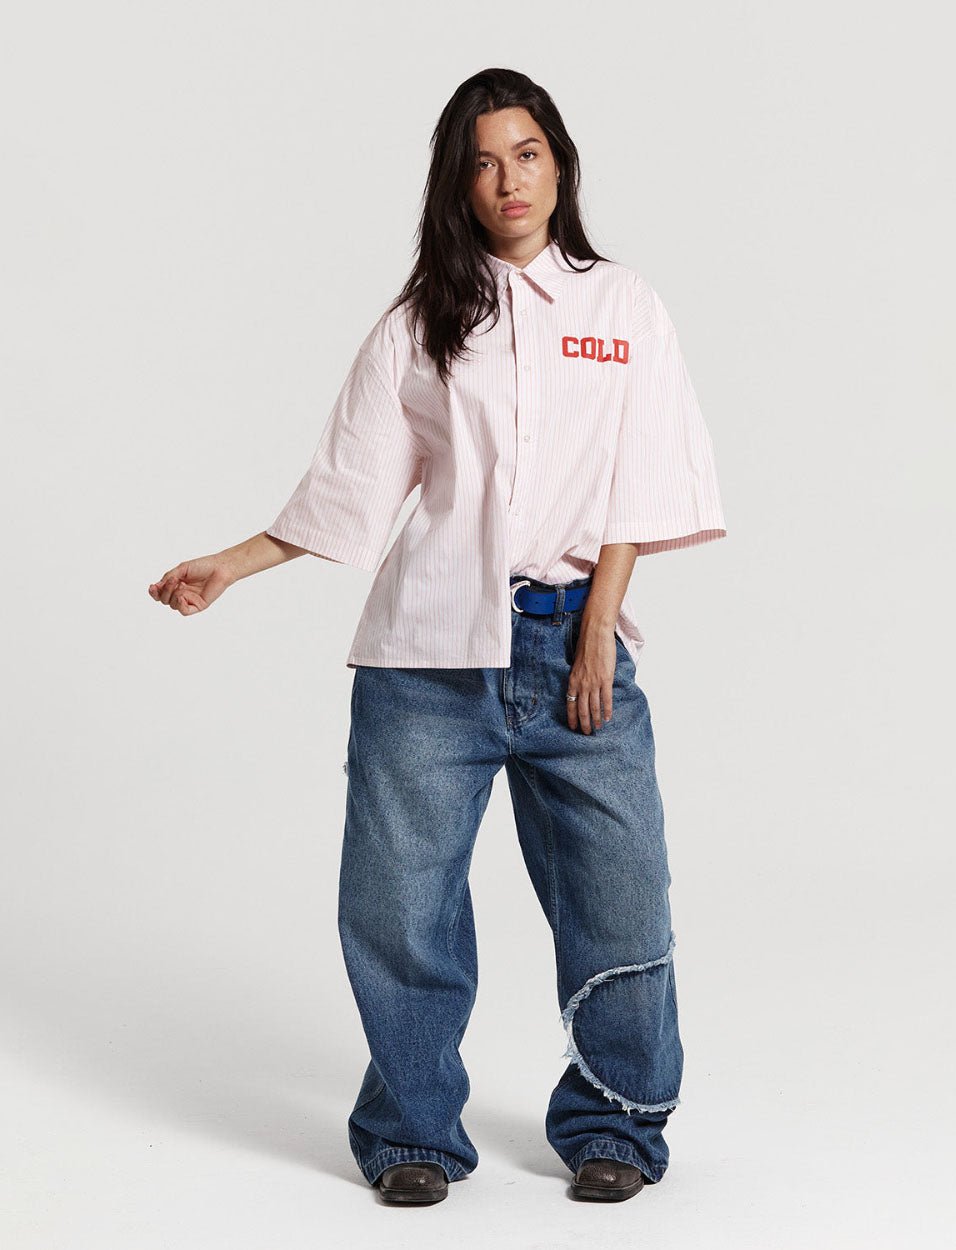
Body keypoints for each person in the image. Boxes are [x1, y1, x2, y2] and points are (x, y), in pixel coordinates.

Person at [148, 67, 727, 1206]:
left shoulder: (624, 307)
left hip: (571, 648)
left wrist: (598, 629)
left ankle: (614, 1120)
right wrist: (233, 562)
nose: (507, 180)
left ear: (559, 163)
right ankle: (411, 1129)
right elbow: (353, 485)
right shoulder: (422, 320)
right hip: (425, 661)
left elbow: (642, 473)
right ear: (456, 186)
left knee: (622, 896)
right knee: (398, 907)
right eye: (481, 162)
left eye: (526, 153)